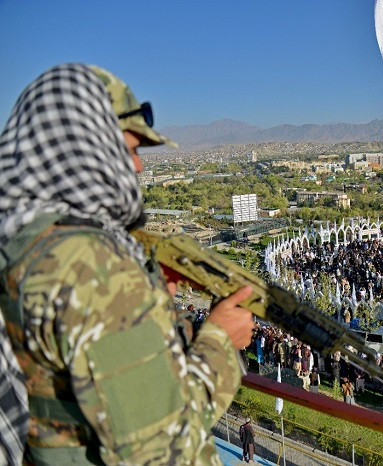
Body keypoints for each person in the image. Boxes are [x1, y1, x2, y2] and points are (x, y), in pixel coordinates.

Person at [0, 64, 255, 464]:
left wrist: (150, 307)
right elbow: (166, 453)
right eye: (130, 148)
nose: (137, 166)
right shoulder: (90, 265)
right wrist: (220, 342)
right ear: (79, 146)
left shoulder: (21, 241)